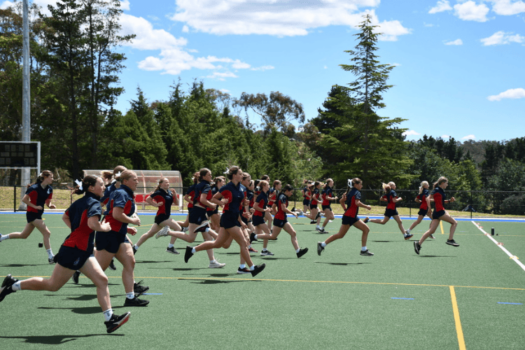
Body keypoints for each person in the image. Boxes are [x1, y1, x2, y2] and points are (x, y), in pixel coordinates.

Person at [0, 175, 131, 333]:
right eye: (101, 184)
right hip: (74, 250)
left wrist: (78, 232)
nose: (104, 187)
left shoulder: (80, 202)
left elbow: (65, 216)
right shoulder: (94, 203)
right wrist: (105, 228)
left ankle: (110, 320)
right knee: (52, 285)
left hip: (83, 250)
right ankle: (12, 285)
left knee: (102, 280)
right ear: (91, 187)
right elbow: (92, 224)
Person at [184, 166, 266, 277]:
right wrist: (222, 203)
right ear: (234, 175)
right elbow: (213, 198)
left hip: (234, 218)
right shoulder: (227, 187)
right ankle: (252, 268)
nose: (242, 175)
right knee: (244, 243)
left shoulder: (241, 188)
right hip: (228, 218)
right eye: (240, 173)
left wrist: (244, 208)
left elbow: (237, 206)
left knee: (220, 244)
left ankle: (192, 250)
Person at [95, 170, 150, 307]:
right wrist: (133, 221)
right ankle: (74, 267)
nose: (137, 181)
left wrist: (126, 228)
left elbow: (117, 217)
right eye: (135, 179)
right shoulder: (122, 193)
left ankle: (130, 298)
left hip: (118, 234)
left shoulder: (125, 193)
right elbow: (116, 214)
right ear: (125, 181)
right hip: (109, 234)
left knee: (130, 262)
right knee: (98, 271)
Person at [159, 168, 225, 268]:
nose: (211, 176)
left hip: (199, 212)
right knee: (191, 238)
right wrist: (212, 205)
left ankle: (212, 261)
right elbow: (203, 199)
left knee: (208, 237)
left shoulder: (201, 185)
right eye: (209, 175)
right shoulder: (206, 185)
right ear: (203, 176)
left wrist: (219, 203)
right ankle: (168, 232)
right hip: (198, 212)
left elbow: (209, 198)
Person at [0, 170, 56, 263]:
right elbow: (24, 200)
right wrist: (35, 206)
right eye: (51, 177)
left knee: (24, 235)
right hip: (32, 213)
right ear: (45, 177)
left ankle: (2, 237)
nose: (52, 179)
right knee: (47, 233)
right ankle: (51, 257)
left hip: (38, 213)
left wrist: (50, 206)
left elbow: (47, 202)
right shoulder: (34, 188)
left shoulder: (49, 189)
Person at [317, 178, 374, 257]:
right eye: (360, 184)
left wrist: (345, 209)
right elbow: (357, 203)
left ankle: (363, 250)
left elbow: (341, 201)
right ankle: (322, 244)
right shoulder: (356, 192)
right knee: (340, 235)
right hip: (349, 217)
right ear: (356, 185)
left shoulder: (350, 192)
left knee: (366, 229)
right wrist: (366, 206)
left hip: (352, 216)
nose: (362, 186)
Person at [250, 184, 308, 258]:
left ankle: (298, 251)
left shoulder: (282, 196)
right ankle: (254, 236)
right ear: (287, 191)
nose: (291, 193)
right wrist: (292, 212)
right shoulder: (282, 197)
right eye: (291, 192)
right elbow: (283, 208)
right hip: (279, 219)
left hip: (283, 219)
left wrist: (274, 212)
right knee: (273, 236)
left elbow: (274, 206)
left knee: (293, 233)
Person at [132, 178, 182, 254]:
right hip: (162, 217)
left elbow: (177, 204)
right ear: (160, 184)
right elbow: (148, 199)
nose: (168, 183)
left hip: (164, 217)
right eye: (166, 182)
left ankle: (135, 247)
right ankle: (170, 247)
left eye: (168, 182)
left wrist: (175, 194)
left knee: (149, 234)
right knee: (178, 228)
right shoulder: (159, 193)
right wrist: (155, 204)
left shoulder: (169, 192)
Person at [414, 177, 459, 255]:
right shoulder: (437, 190)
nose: (447, 185)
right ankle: (450, 240)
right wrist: (429, 208)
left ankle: (418, 243)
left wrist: (449, 201)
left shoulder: (440, 190)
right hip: (439, 211)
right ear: (442, 183)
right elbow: (428, 198)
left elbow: (440, 201)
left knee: (432, 230)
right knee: (454, 223)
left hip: (437, 212)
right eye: (446, 183)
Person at [252, 180, 274, 256]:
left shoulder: (265, 194)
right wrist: (264, 210)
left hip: (259, 216)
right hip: (257, 216)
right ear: (264, 186)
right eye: (268, 185)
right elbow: (255, 206)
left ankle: (246, 247)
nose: (269, 186)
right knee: (267, 233)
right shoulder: (261, 195)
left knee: (255, 234)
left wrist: (267, 208)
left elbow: (263, 205)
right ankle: (264, 251)